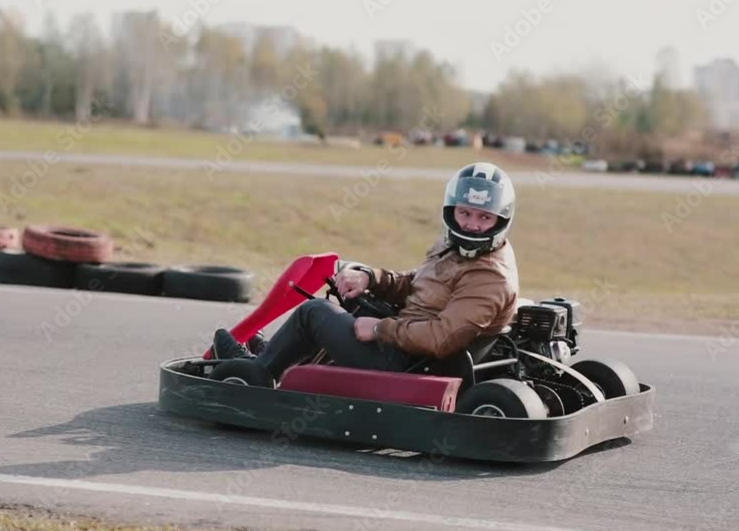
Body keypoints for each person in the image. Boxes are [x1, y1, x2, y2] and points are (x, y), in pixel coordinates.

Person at [211, 162, 521, 385]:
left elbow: (442, 338)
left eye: (483, 217)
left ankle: (253, 375)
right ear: (451, 210)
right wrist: (370, 277)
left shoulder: (490, 277)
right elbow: (417, 285)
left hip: (413, 364)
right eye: (464, 213)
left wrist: (380, 330)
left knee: (314, 312)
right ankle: (280, 357)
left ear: (500, 219)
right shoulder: (455, 247)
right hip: (407, 341)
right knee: (352, 298)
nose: (471, 224)